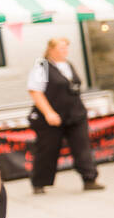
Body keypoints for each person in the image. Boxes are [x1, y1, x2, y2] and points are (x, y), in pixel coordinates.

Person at [27, 37, 103, 194]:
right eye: (61, 48)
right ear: (51, 49)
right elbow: (35, 91)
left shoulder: (68, 65)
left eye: (66, 48)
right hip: (52, 116)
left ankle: (89, 178)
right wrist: (48, 113)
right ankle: (39, 182)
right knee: (47, 149)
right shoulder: (42, 66)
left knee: (82, 146)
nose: (65, 51)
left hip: (75, 114)